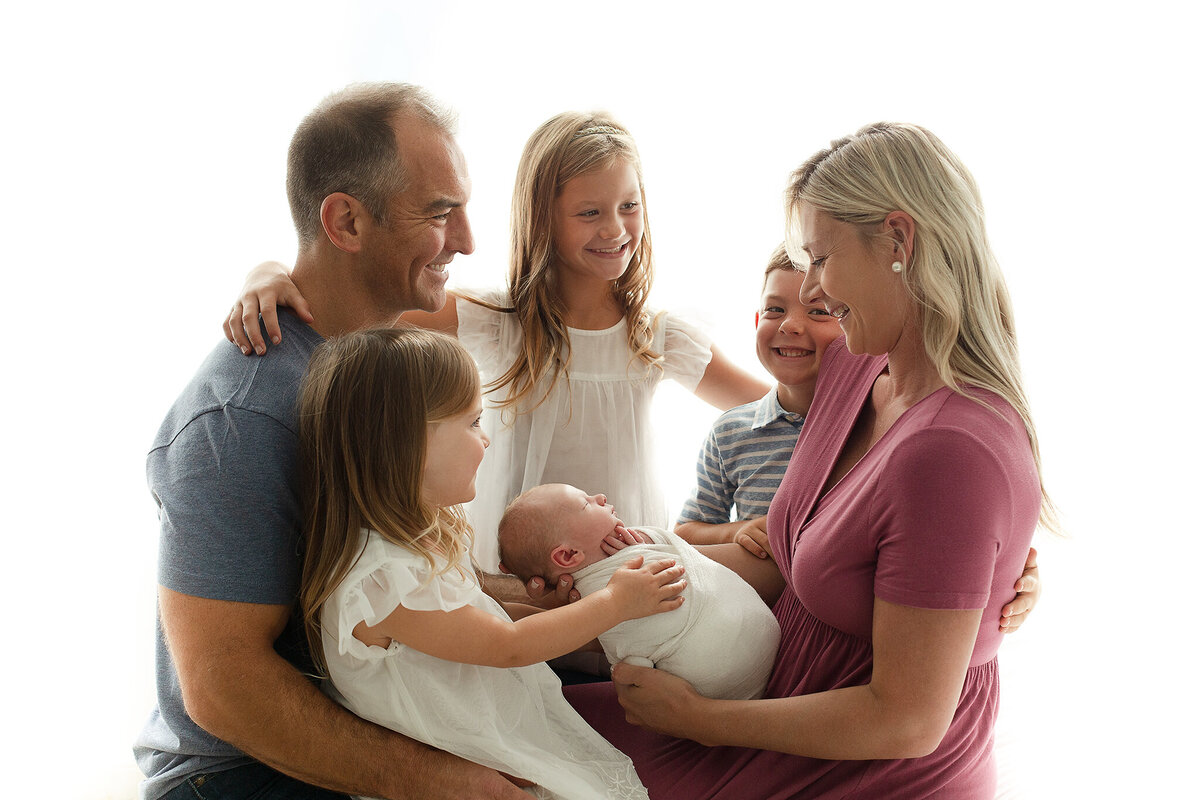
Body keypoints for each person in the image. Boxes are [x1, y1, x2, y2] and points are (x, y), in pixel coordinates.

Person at [564, 122, 1053, 799]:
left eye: (821, 258)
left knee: (511, 752)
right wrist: (580, 585)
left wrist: (703, 720)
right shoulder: (856, 364)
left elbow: (907, 720)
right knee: (503, 710)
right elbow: (784, 555)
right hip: (762, 700)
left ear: (899, 243)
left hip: (842, 762)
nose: (815, 292)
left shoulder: (951, 452)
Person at [137, 83, 536, 800]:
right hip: (239, 775)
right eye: (441, 213)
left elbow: (378, 584)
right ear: (346, 221)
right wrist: (457, 786)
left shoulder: (385, 366)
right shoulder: (244, 416)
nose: (469, 241)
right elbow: (223, 688)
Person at [223, 111, 769, 573]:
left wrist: (736, 524)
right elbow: (347, 311)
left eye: (629, 206)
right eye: (589, 213)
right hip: (509, 570)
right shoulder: (496, 318)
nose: (615, 230)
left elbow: (772, 414)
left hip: (621, 567)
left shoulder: (658, 336)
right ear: (542, 218)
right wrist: (267, 273)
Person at [298, 328, 687, 800]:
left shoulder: (422, 536)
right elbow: (507, 646)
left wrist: (566, 614)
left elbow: (490, 620)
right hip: (461, 764)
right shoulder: (382, 579)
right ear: (406, 445)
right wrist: (615, 602)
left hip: (499, 728)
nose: (486, 439)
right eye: (473, 422)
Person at [497, 483, 780, 701]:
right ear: (569, 555)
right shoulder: (607, 599)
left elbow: (680, 549)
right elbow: (632, 664)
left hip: (750, 647)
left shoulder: (629, 552)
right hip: (723, 679)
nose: (600, 497)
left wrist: (647, 540)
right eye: (586, 503)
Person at [674, 243, 842, 558]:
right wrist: (737, 530)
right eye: (774, 310)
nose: (789, 325)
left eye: (818, 311)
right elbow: (686, 532)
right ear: (756, 321)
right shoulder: (730, 432)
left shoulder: (870, 423)